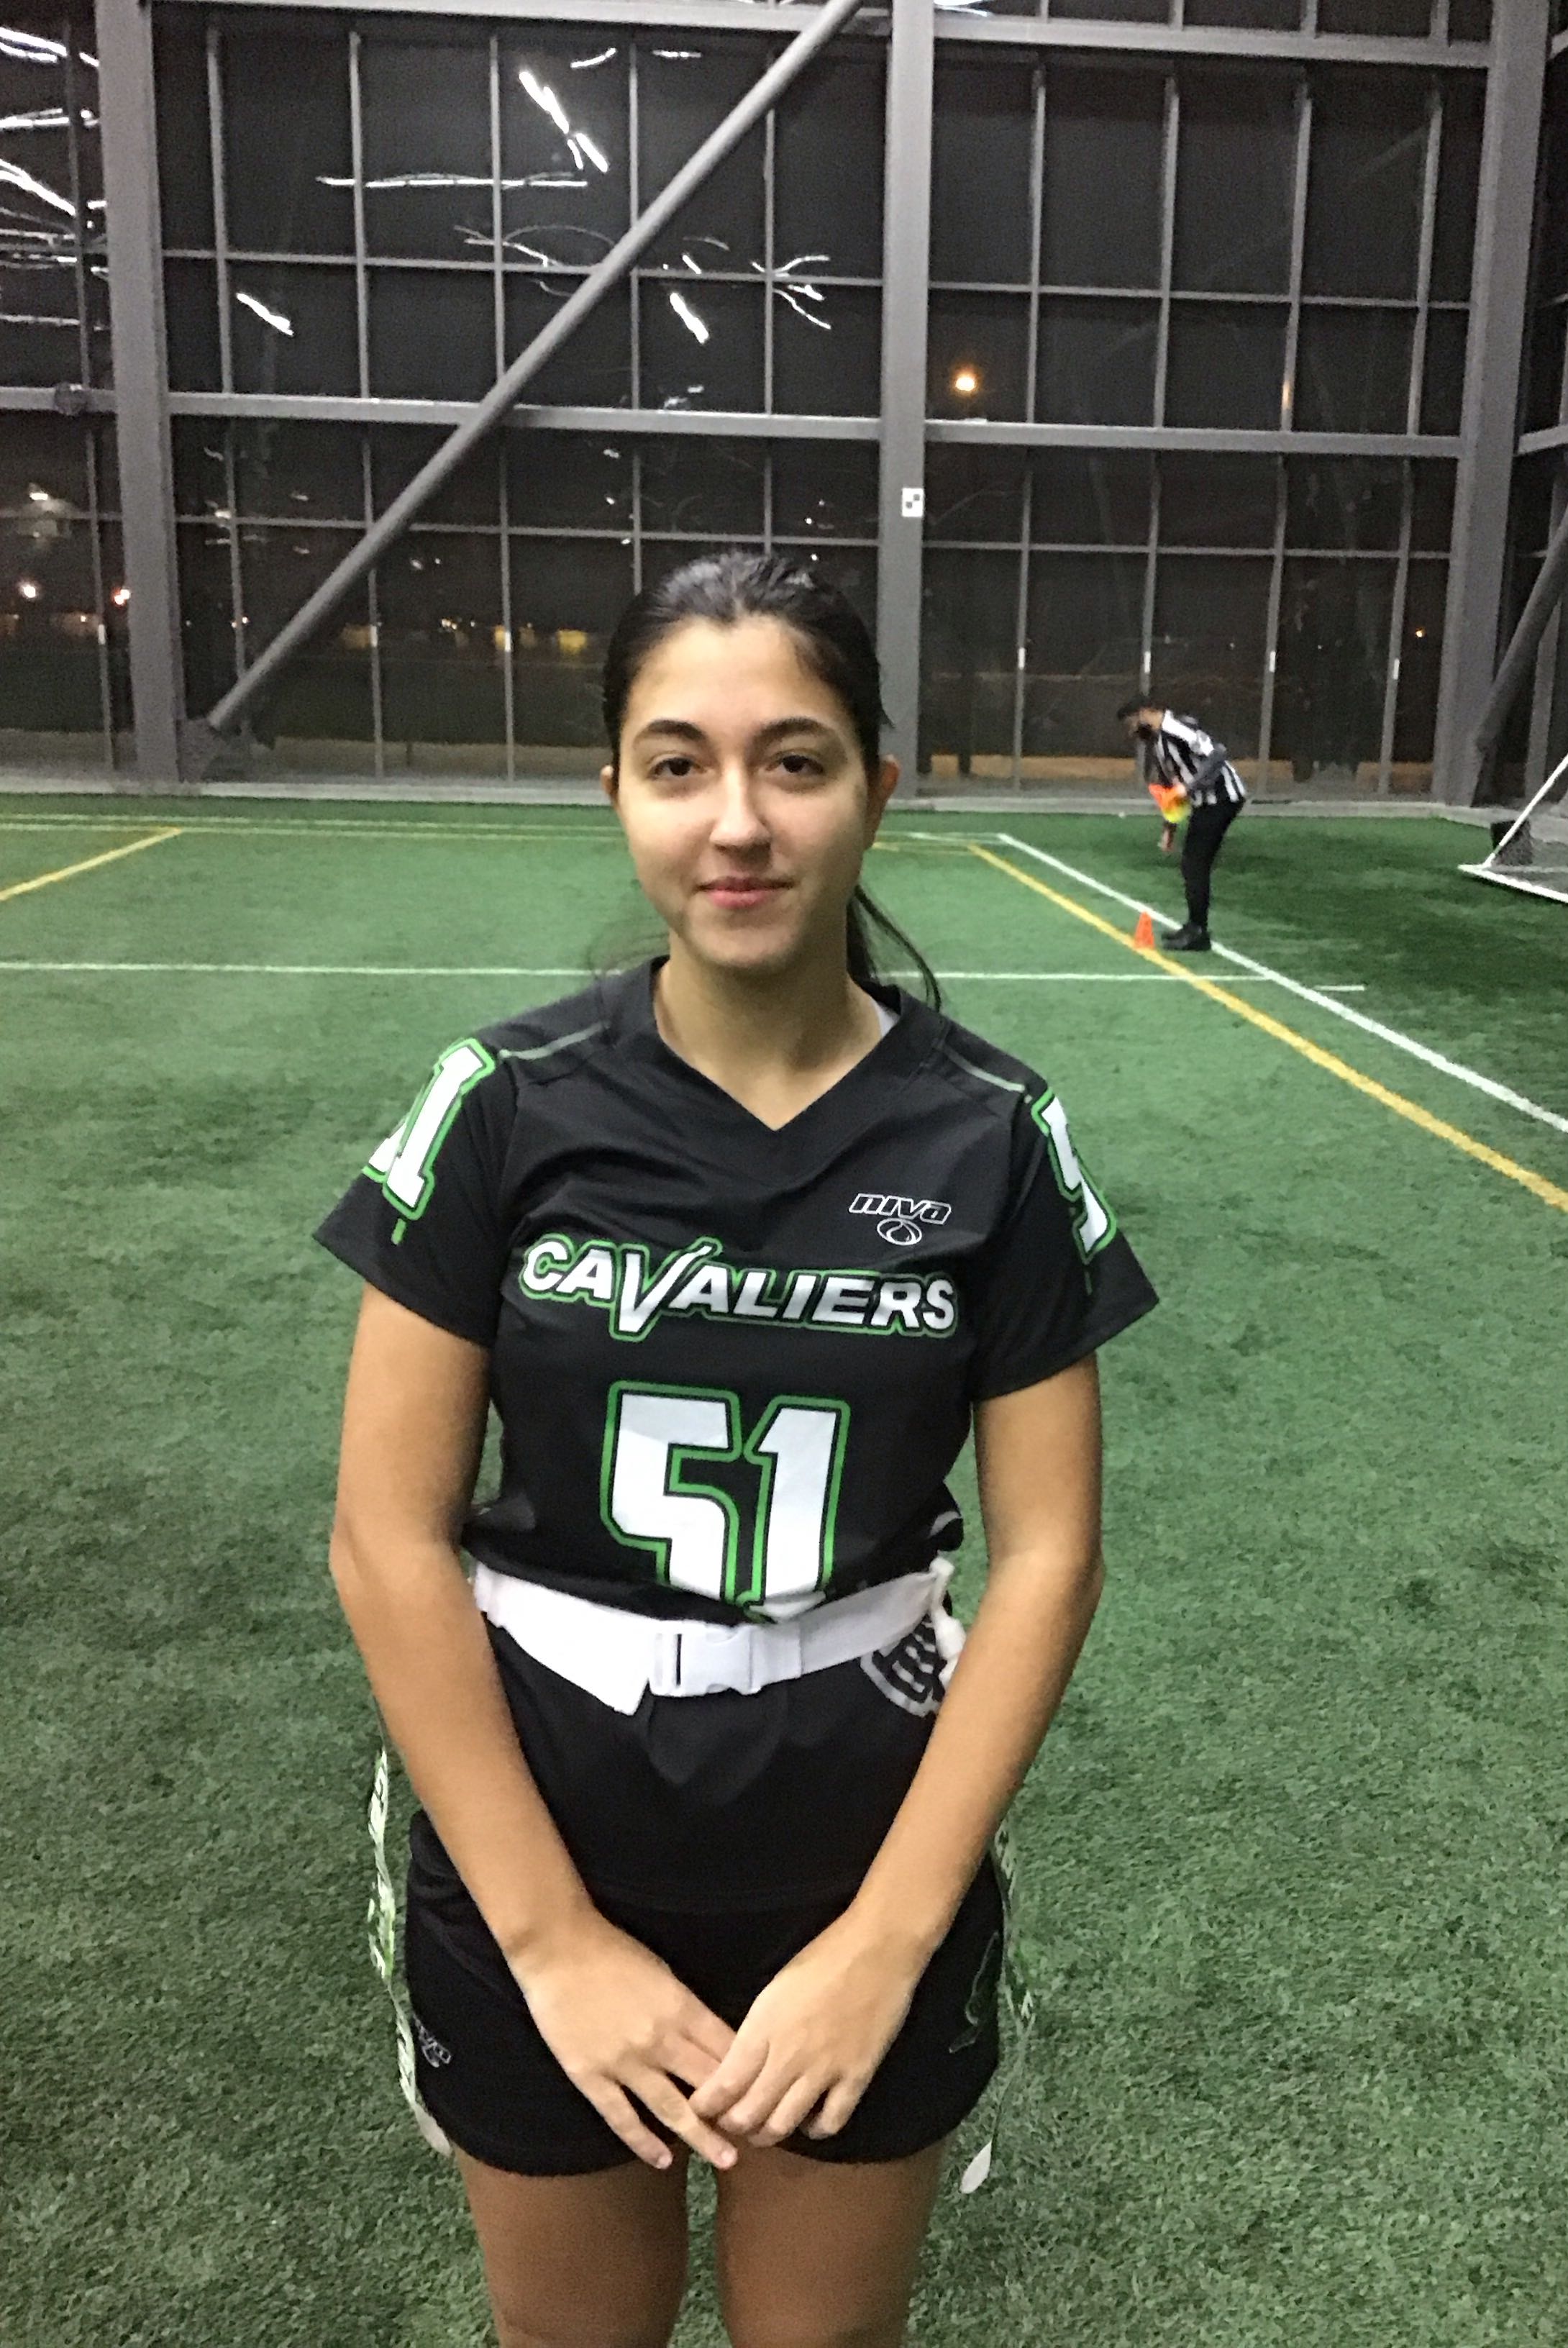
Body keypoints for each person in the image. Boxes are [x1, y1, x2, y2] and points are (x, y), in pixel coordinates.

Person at [319, 552, 1157, 2348]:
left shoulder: (991, 1134)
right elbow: (385, 1539)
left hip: (859, 1827)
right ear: (615, 791)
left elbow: (1051, 1554)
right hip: (545, 1809)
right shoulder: (503, 1104)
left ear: (877, 785)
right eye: (677, 764)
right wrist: (551, 1942)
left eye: (794, 760)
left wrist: (886, 1939)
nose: (738, 823)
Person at [1118, 697, 1249, 952]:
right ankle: (1194, 926)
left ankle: (1198, 932)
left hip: (1222, 798)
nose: (1132, 731)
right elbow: (1171, 792)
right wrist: (1169, 829)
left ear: (1145, 713)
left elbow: (1217, 753)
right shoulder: (1159, 744)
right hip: (1206, 803)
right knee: (1192, 864)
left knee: (1195, 863)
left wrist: (1190, 787)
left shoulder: (1175, 728)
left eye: (1132, 723)